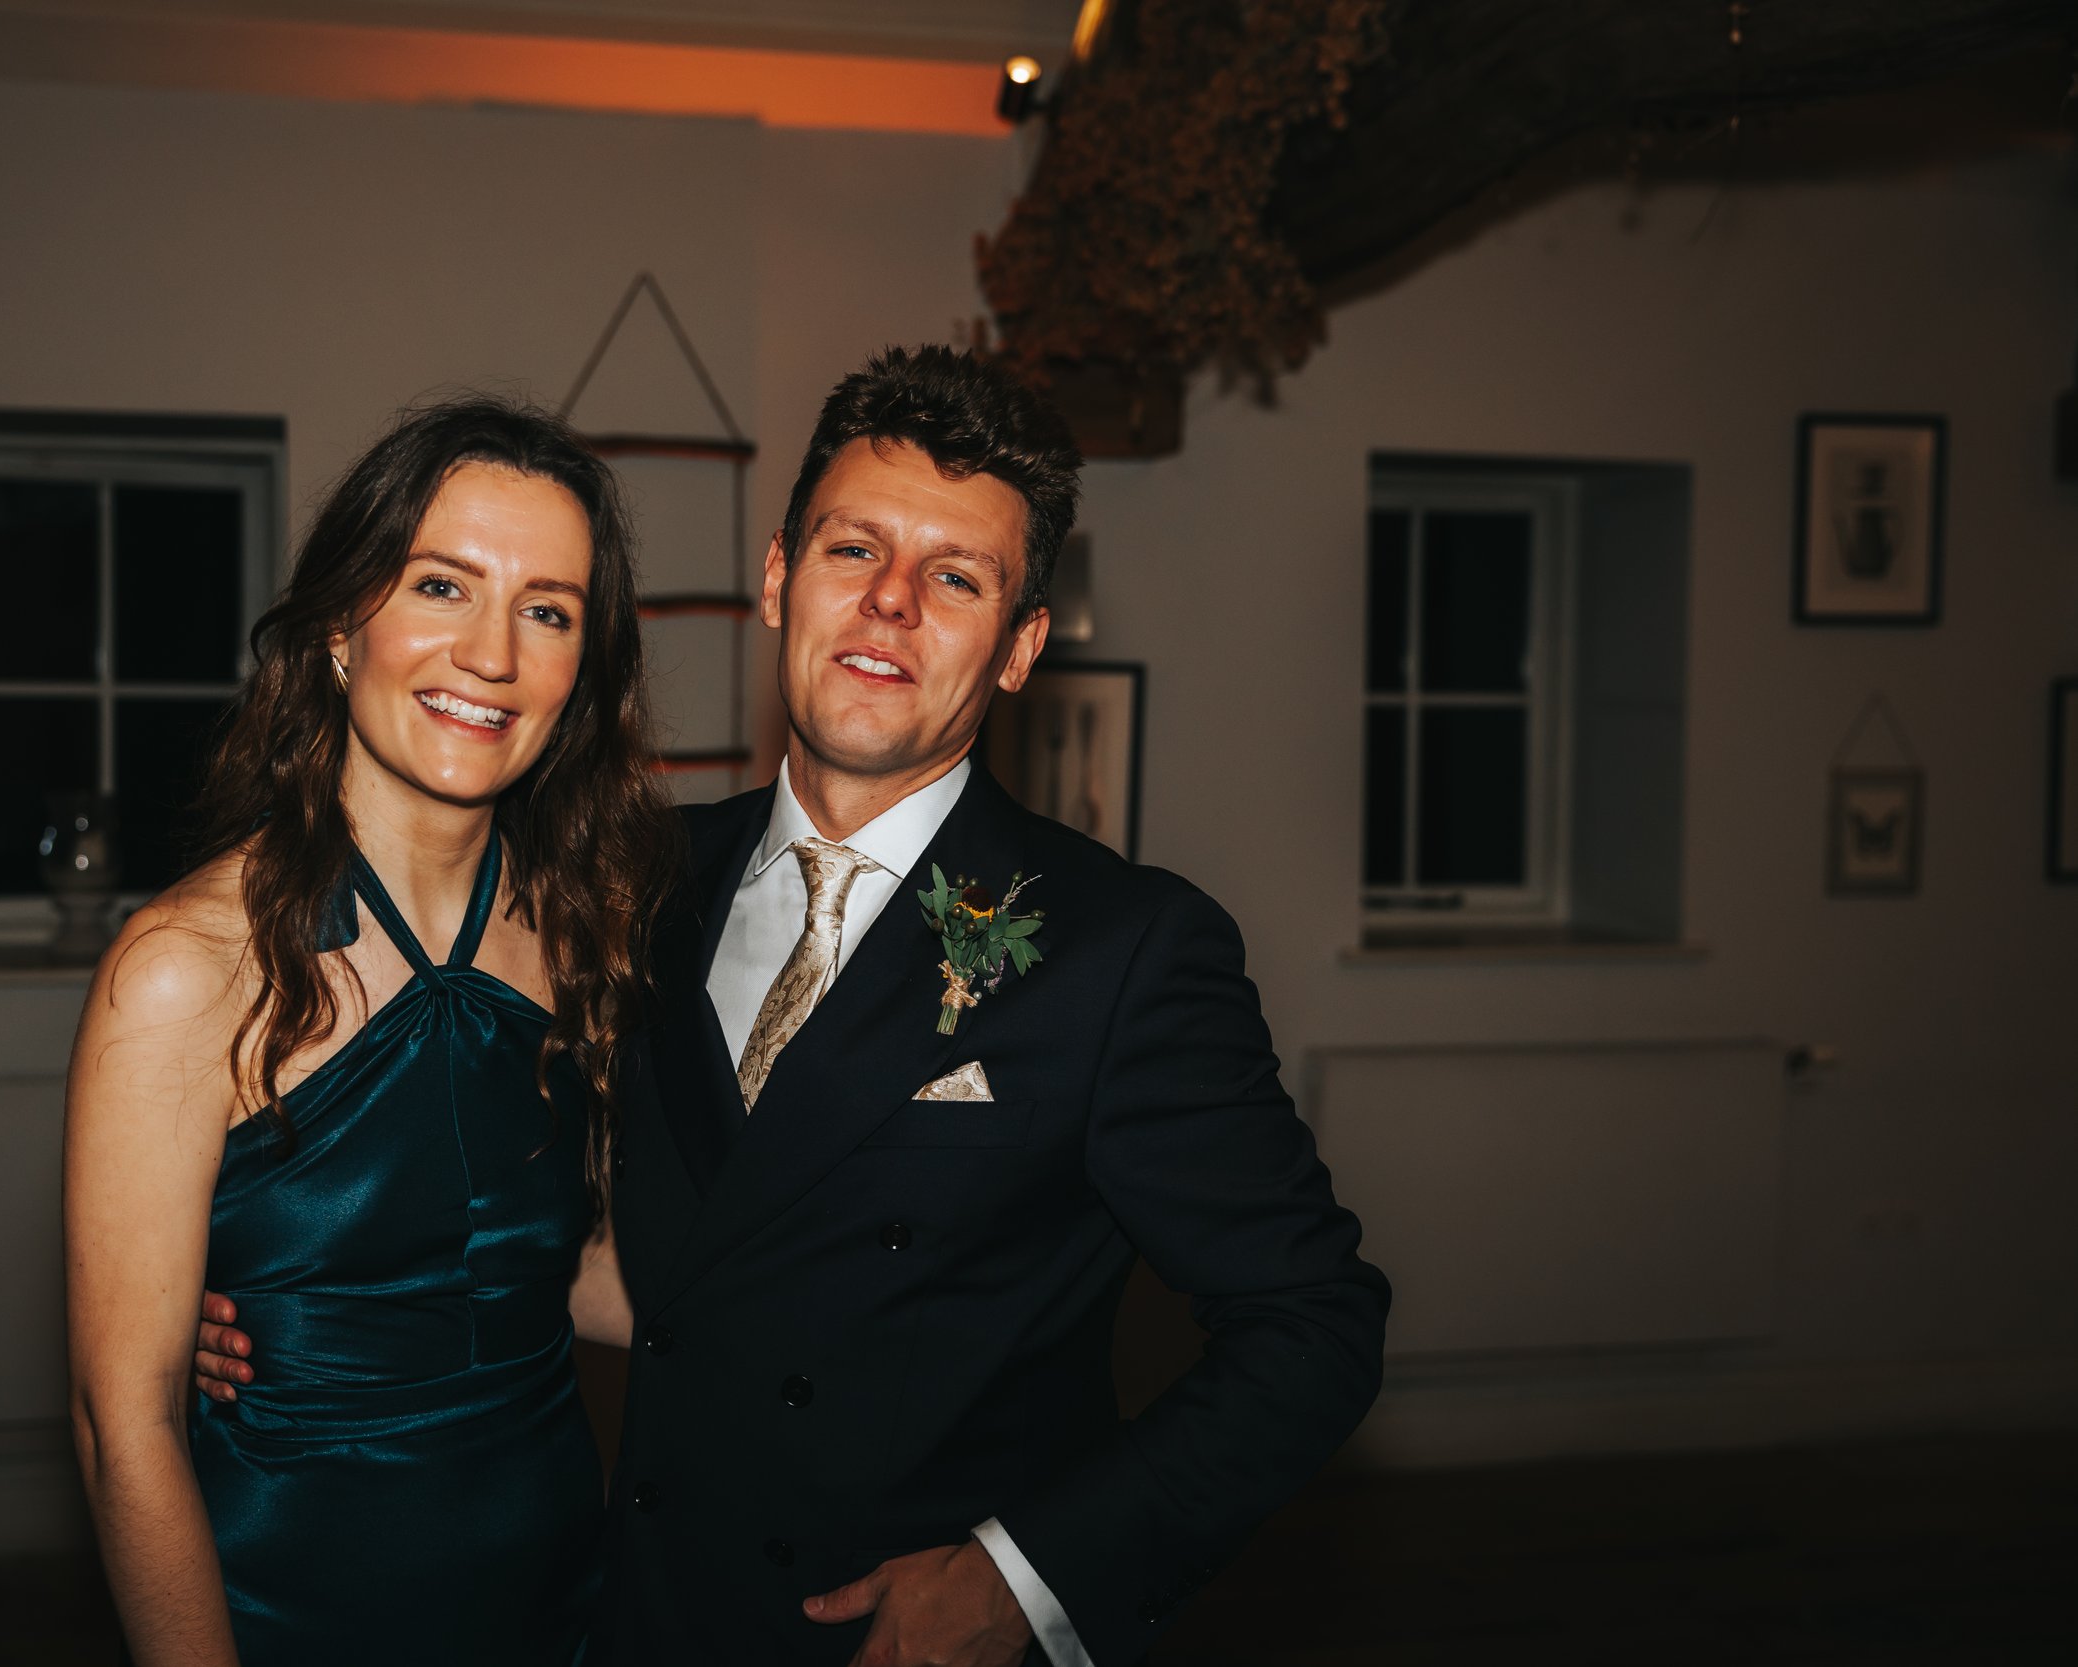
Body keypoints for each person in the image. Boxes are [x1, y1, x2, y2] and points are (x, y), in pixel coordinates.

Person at [198, 347, 1389, 1667]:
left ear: (1020, 647)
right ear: (780, 578)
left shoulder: (1127, 948)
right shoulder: (634, 877)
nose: (888, 604)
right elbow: (578, 1228)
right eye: (852, 549)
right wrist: (308, 1305)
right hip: (641, 1614)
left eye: (956, 577)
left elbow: (1315, 1327)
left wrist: (1022, 1579)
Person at [66, 396, 676, 1667]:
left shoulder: (589, 936)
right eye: (442, 585)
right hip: (291, 1604)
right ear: (345, 624)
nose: (492, 653)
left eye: (548, 609)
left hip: (562, 1591)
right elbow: (122, 1423)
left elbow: (568, 1272)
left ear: (581, 674)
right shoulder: (184, 969)